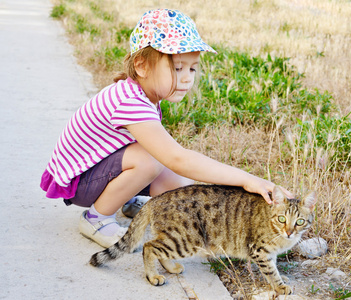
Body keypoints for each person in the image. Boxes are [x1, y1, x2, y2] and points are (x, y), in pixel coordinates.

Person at [40, 8, 293, 248]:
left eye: (192, 68)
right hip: (78, 182)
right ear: (142, 66)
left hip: (96, 170)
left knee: (178, 186)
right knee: (151, 159)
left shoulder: (142, 94)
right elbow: (177, 157)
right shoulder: (130, 102)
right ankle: (95, 218)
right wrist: (247, 180)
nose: (187, 78)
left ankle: (131, 203)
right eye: (177, 67)